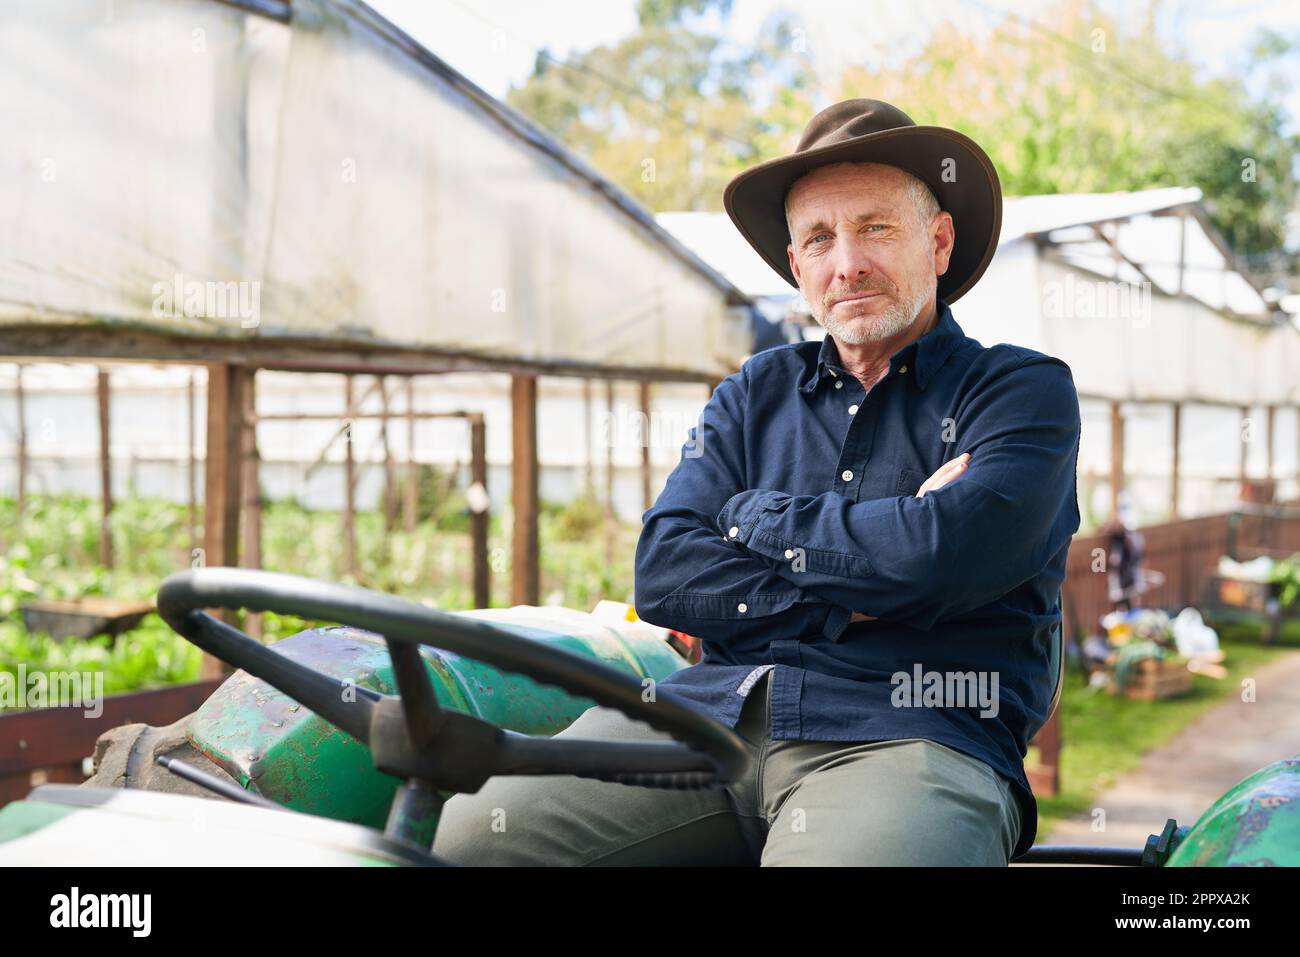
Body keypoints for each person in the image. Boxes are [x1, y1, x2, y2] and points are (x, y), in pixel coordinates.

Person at [432, 99, 1082, 866]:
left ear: (938, 241)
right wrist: (877, 568)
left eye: (876, 227)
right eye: (819, 238)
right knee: (476, 836)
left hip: (912, 733)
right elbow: (666, 570)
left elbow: (948, 554)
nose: (848, 264)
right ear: (797, 263)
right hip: (705, 717)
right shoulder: (754, 391)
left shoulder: (1018, 391)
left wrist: (754, 517)